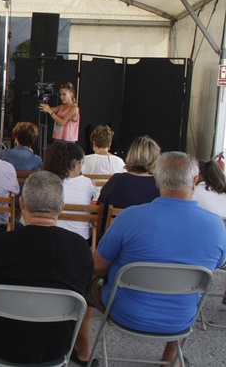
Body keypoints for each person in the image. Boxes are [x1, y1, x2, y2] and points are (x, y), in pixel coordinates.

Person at [73, 152, 226, 366]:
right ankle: (171, 357)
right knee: (192, 289)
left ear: (157, 180)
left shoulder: (129, 217)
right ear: (195, 180)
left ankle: (83, 352)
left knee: (83, 278)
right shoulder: (217, 226)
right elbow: (214, 268)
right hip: (181, 318)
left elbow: (97, 266)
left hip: (123, 311)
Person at [0, 171, 94, 365]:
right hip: (56, 347)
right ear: (61, 207)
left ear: (22, 203)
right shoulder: (80, 248)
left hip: (0, 347)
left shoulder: (0, 244)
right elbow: (83, 301)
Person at [97, 135, 161, 234]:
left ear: (131, 155)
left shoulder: (116, 181)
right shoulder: (161, 186)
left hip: (117, 239)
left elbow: (99, 213)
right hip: (149, 240)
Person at [44, 142, 97, 241]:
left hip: (50, 237)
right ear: (76, 163)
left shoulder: (45, 181)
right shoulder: (88, 183)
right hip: (81, 239)